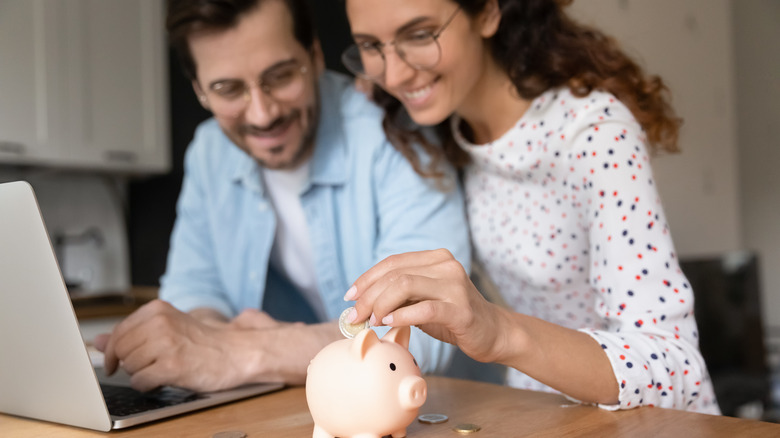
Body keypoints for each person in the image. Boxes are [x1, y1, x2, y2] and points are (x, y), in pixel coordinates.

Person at [341, 0, 720, 414]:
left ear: (487, 13)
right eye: (370, 45)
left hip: (649, 423)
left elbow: (678, 365)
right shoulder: (442, 129)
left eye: (420, 35)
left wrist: (500, 330)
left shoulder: (594, 136)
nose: (393, 74)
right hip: (545, 413)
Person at [94, 0, 470, 393]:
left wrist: (239, 352)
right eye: (227, 89)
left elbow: (426, 330)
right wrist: (200, 340)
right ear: (199, 90)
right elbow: (195, 290)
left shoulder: (394, 131)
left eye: (281, 76)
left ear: (316, 55)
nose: (261, 114)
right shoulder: (209, 152)